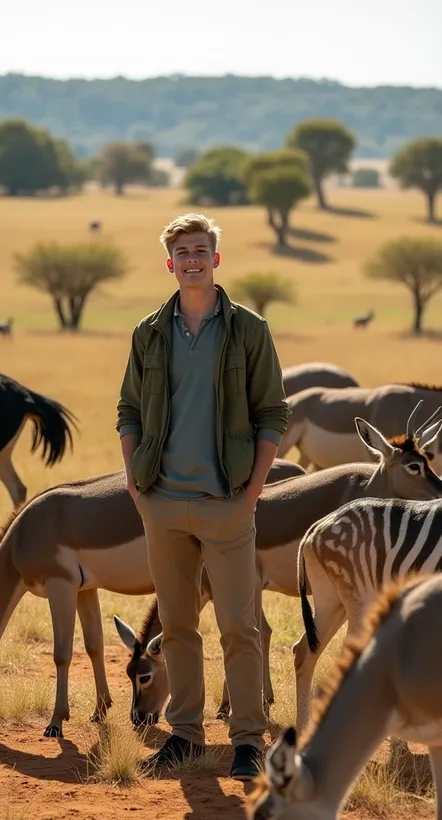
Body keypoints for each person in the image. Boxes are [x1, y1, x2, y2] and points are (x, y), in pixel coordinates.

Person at [116, 213, 288, 780]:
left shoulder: (250, 330)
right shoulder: (149, 333)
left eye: (201, 249)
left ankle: (247, 741)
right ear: (170, 264)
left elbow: (271, 412)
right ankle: (185, 735)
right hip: (162, 502)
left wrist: (253, 490)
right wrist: (138, 489)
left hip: (227, 502)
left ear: (217, 259)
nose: (192, 259)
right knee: (179, 627)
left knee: (239, 625)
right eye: (182, 252)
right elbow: (129, 412)